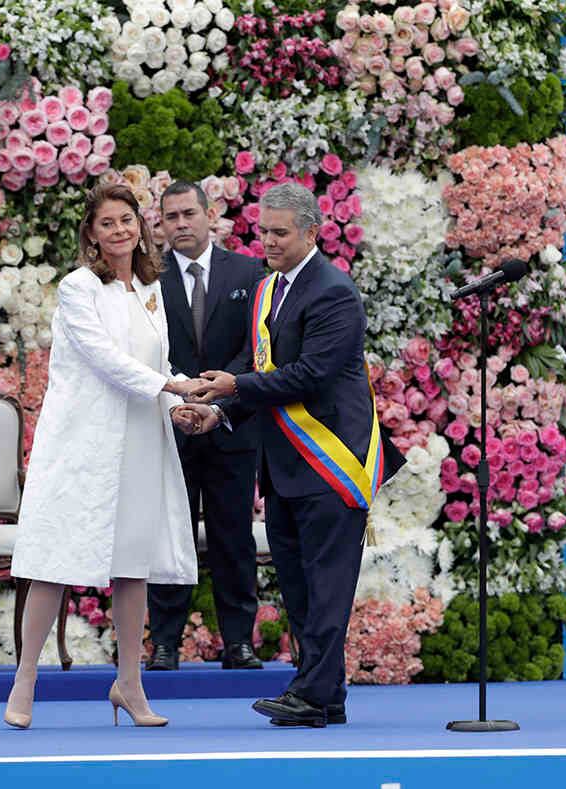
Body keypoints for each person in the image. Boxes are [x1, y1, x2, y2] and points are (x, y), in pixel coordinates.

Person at [180, 182, 405, 727]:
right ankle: (324, 693)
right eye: (264, 232)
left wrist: (234, 387)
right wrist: (219, 411)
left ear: (312, 233)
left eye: (280, 233)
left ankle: (311, 692)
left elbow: (310, 375)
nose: (270, 242)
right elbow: (257, 367)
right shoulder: (268, 289)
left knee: (327, 586)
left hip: (330, 461)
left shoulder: (334, 291)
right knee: (300, 586)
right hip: (283, 465)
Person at [6, 183, 201, 729]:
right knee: (54, 563)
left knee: (133, 569)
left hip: (140, 442)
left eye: (127, 220)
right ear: (91, 234)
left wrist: (184, 405)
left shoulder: (150, 288)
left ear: (140, 226)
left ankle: (129, 684)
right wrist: (172, 387)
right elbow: (105, 360)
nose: (119, 230)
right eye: (107, 223)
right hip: (84, 444)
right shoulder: (78, 287)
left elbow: (158, 366)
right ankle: (25, 679)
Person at [146, 181, 267, 672]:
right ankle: (164, 644)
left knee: (233, 537)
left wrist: (219, 395)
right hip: (171, 424)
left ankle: (239, 643)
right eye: (170, 216)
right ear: (161, 223)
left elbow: (256, 346)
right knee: (168, 536)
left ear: (209, 214)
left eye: (188, 214)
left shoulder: (249, 272)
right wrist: (182, 394)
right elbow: (146, 348)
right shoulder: (148, 278)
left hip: (231, 425)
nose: (180, 224)